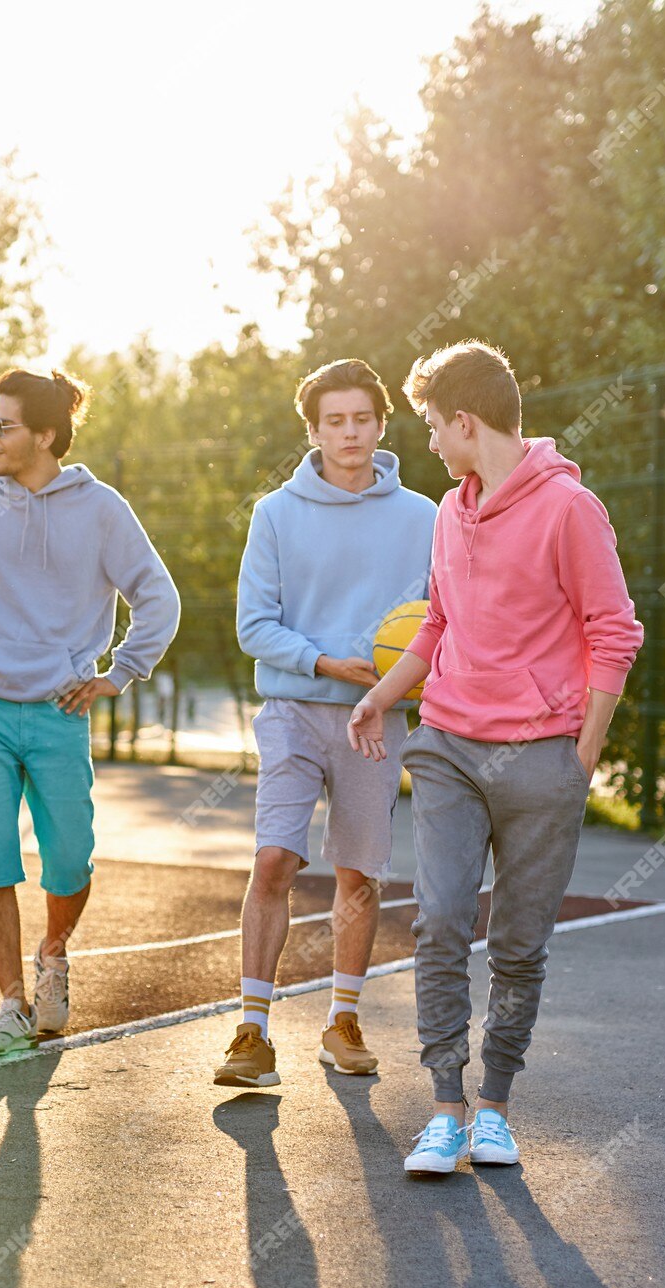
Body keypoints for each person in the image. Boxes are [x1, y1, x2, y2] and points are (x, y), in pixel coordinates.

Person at [347, 340, 642, 1175]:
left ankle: (494, 1106)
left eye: (436, 427)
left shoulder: (570, 510)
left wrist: (581, 751)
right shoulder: (450, 512)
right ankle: (444, 1105)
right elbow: (437, 624)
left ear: (467, 422)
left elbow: (613, 631)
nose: (432, 444)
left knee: (518, 942)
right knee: (440, 917)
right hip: (447, 746)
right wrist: (382, 694)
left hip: (542, 761)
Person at [0, 368, 179, 1057]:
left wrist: (119, 674)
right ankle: (11, 1003)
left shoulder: (102, 508)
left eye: (2, 424)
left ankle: (55, 953)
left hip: (60, 709)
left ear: (45, 435)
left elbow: (157, 597)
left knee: (71, 860)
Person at [213, 358, 436, 1088]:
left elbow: (443, 621)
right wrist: (326, 663)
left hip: (377, 721)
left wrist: (399, 683)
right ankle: (252, 1030)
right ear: (312, 430)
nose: (350, 433)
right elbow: (253, 625)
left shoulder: (425, 519)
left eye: (362, 419)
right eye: (334, 421)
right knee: (274, 859)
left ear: (381, 424)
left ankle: (342, 1019)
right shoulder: (276, 512)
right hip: (295, 709)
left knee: (359, 874)